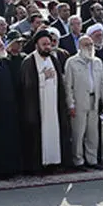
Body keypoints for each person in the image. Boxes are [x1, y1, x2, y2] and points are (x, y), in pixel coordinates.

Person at [19, 31, 69, 173]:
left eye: (49, 44)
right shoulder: (29, 62)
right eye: (44, 44)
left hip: (53, 105)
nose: (47, 47)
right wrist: (43, 77)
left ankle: (54, 163)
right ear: (37, 45)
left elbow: (60, 83)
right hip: (38, 107)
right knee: (38, 137)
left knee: (54, 134)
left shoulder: (53, 60)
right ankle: (38, 166)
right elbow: (27, 87)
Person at [64, 34, 103, 168]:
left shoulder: (97, 62)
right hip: (79, 102)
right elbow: (68, 86)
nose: (89, 47)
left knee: (92, 133)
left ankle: (92, 160)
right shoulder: (72, 62)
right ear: (79, 46)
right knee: (78, 133)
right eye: (86, 45)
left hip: (94, 101)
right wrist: (70, 104)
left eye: (91, 44)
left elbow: (102, 82)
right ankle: (78, 160)